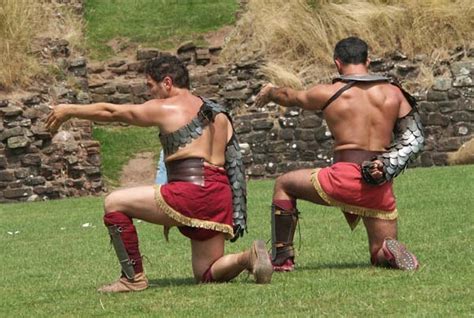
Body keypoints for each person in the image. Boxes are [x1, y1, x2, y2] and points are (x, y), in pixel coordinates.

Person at [45, 55, 272, 292]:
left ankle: (132, 279)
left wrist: (70, 110)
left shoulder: (166, 107)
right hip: (219, 195)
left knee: (114, 202)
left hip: (190, 192)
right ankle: (248, 257)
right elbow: (233, 163)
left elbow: (113, 112)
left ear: (167, 83)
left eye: (150, 86)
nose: (150, 94)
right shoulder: (218, 111)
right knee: (207, 272)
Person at [254, 36, 424, 272]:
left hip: (343, 177)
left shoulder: (329, 92)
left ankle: (282, 259)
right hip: (379, 184)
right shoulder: (394, 93)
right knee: (377, 252)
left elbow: (291, 97)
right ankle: (388, 250)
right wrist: (385, 164)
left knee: (284, 184)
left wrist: (271, 92)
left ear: (337, 63)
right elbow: (413, 139)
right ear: (368, 60)